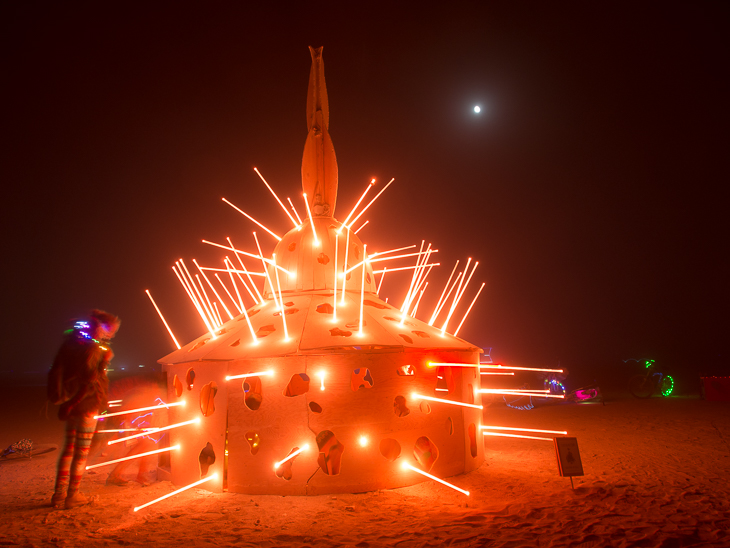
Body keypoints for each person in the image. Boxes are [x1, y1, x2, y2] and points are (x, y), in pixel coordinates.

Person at [48, 310, 120, 509]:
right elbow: (89, 379)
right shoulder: (94, 348)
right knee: (81, 452)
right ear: (101, 327)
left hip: (71, 405)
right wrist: (104, 362)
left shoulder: (71, 344)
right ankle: (73, 495)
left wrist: (68, 404)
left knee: (68, 450)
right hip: (87, 406)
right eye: (110, 330)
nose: (111, 335)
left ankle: (58, 495)